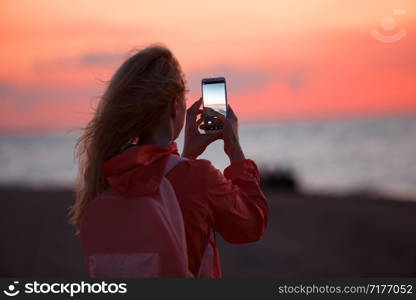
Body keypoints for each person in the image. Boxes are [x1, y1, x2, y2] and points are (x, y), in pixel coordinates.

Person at [69, 45, 268, 278]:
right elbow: (251, 226)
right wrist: (234, 148)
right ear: (175, 106)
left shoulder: (111, 174)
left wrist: (186, 156)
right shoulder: (199, 177)